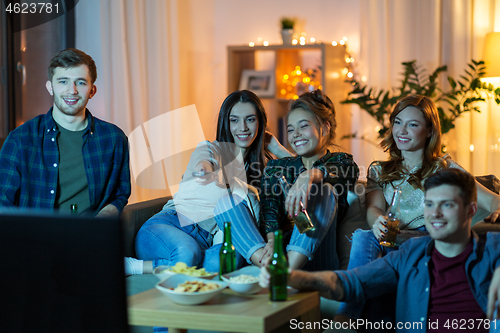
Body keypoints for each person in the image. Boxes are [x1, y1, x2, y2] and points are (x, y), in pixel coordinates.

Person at [260, 168, 500, 333]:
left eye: (446, 205)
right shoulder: (411, 254)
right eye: (429, 204)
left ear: (471, 210)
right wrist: (289, 276)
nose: (434, 214)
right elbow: (350, 282)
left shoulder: (492, 249)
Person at [335, 95, 500, 323]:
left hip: (426, 241)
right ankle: (348, 319)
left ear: (429, 131)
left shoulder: (445, 168)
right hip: (392, 241)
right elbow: (373, 207)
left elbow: (494, 201)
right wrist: (377, 221)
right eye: (398, 122)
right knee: (365, 237)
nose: (402, 130)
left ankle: (345, 318)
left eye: (412, 125)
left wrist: (496, 210)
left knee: (368, 241)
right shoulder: (378, 170)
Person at [132, 90, 291, 275]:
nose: (243, 127)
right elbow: (205, 159)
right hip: (169, 225)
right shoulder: (211, 149)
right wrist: (204, 168)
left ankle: (176, 265)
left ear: (260, 122)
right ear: (226, 122)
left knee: (230, 259)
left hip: (206, 242)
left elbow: (303, 178)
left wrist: (278, 149)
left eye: (250, 119)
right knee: (186, 252)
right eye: (234, 120)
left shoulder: (263, 169)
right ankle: (135, 266)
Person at [214, 89, 359, 271]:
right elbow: (269, 211)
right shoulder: (277, 167)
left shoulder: (343, 161)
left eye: (303, 126)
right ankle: (269, 265)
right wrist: (272, 243)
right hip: (280, 250)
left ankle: (287, 271)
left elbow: (342, 171)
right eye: (291, 129)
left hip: (320, 257)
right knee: (225, 202)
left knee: (323, 190)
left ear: (324, 128)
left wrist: (308, 176)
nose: (296, 133)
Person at [0, 48, 130, 217]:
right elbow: (2, 202)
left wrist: (103, 220)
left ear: (92, 90)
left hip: (89, 237)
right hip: (34, 238)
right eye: (63, 81)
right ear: (50, 87)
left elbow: (120, 193)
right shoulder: (20, 139)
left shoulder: (114, 139)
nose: (72, 90)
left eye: (81, 82)